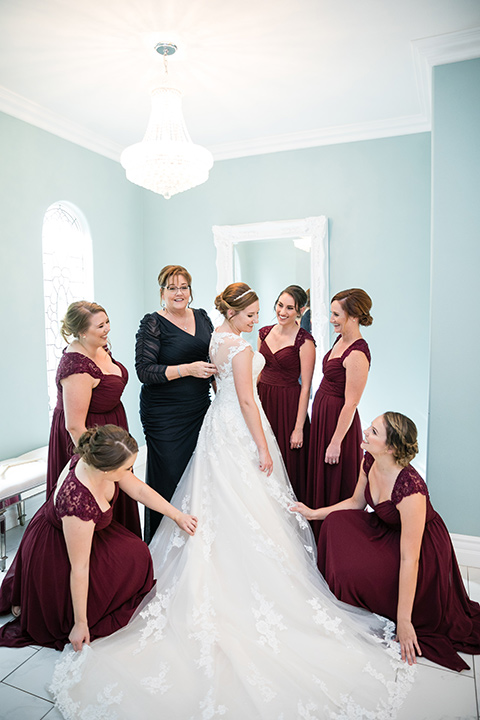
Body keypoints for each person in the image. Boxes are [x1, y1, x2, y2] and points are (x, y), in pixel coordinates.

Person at [50, 284, 414, 720]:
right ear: (234, 311)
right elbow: (245, 399)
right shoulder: (238, 346)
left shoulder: (217, 336)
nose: (256, 320)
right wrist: (262, 445)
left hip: (214, 428)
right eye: (252, 313)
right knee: (244, 501)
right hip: (239, 427)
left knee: (215, 495)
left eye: (261, 313)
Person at [291, 411, 480, 672]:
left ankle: (386, 602)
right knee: (336, 523)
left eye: (374, 431)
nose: (366, 432)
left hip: (420, 549)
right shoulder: (369, 460)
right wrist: (314, 513)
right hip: (385, 529)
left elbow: (409, 558)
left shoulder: (411, 488)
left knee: (365, 570)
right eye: (370, 427)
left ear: (391, 448)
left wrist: (404, 621)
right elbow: (356, 503)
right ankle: (345, 593)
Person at [0, 425, 197, 651]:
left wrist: (177, 515)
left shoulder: (96, 459)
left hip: (85, 534)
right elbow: (80, 567)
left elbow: (139, 491)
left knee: (137, 553)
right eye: (127, 469)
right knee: (131, 561)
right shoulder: (78, 502)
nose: (130, 472)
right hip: (59, 550)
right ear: (107, 470)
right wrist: (80, 623)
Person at [135, 264, 216, 543]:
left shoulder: (203, 317)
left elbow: (213, 360)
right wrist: (187, 369)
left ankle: (195, 544)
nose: (178, 292)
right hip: (164, 415)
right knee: (170, 476)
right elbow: (144, 371)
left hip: (199, 408)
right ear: (162, 292)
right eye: (172, 288)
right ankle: (162, 543)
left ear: (190, 291)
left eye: (184, 287)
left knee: (199, 474)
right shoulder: (153, 323)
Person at [46, 301, 141, 537]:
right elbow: (75, 425)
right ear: (81, 332)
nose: (107, 328)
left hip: (112, 426)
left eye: (107, 322)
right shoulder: (76, 368)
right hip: (89, 439)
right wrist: (101, 462)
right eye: (100, 325)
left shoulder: (99, 345)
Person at [306, 288, 372, 532]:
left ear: (353, 316)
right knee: (321, 480)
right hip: (324, 420)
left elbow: (351, 403)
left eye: (336, 314)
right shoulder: (340, 340)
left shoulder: (357, 353)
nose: (331, 319)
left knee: (334, 482)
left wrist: (335, 442)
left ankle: (336, 539)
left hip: (338, 426)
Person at [257, 285, 315, 499]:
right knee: (261, 460)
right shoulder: (263, 333)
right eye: (280, 305)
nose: (282, 312)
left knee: (287, 467)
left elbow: (306, 387)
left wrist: (298, 428)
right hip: (263, 401)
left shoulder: (305, 341)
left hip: (289, 407)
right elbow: (258, 373)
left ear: (299, 311)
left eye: (290, 308)